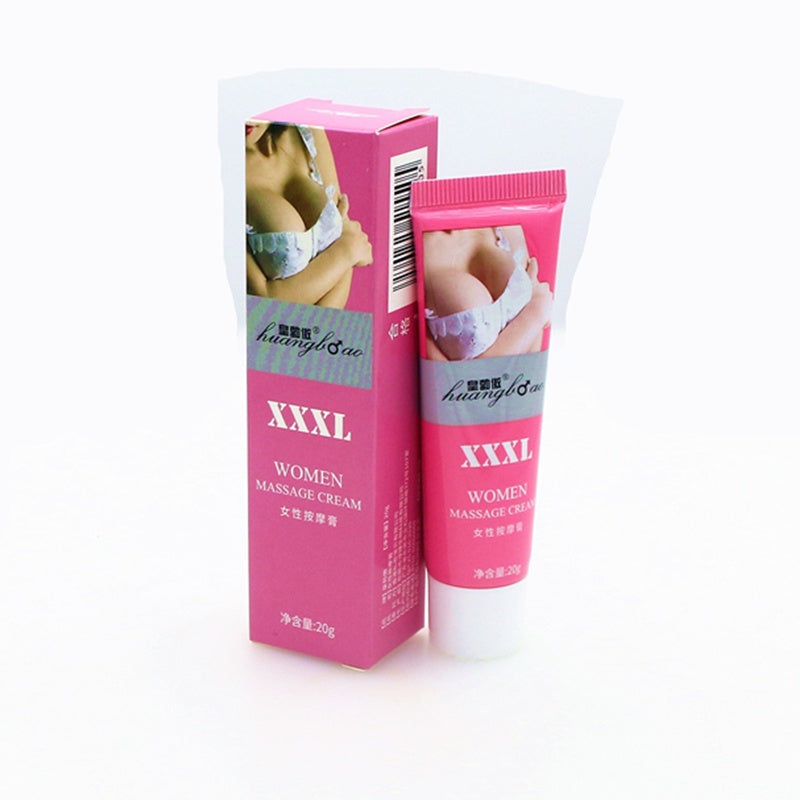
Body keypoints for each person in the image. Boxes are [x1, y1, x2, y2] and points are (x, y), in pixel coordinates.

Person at [245, 122, 372, 307]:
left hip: (332, 321)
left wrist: (347, 247)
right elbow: (264, 298)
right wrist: (346, 252)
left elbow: (343, 230)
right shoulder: (219, 174)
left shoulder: (307, 132)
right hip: (266, 326)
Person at [422, 225, 553, 360]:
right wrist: (534, 315)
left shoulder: (506, 226)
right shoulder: (416, 246)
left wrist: (536, 313)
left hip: (530, 372)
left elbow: (535, 342)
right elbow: (442, 372)